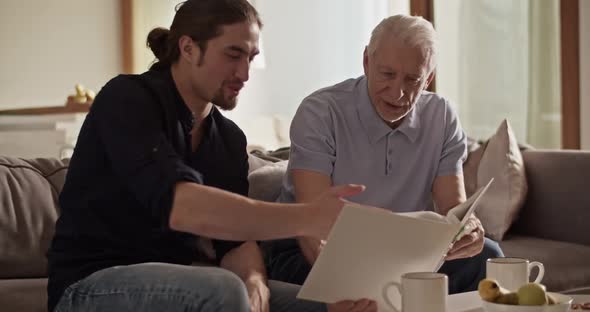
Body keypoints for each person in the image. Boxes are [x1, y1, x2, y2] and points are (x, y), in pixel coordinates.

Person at [46, 1, 365, 311]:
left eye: (251, 58)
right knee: (220, 289)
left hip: (188, 284)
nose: (245, 73)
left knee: (329, 305)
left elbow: (236, 243)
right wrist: (307, 216)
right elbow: (182, 207)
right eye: (233, 54)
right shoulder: (128, 99)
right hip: (89, 288)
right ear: (188, 48)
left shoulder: (228, 139)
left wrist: (254, 280)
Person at [264, 14, 504, 310]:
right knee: (368, 289)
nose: (398, 92)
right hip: (318, 246)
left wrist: (467, 230)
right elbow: (311, 223)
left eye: (412, 79)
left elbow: (452, 208)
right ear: (366, 61)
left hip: (405, 249)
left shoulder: (441, 116)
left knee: (486, 256)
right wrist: (348, 280)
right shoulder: (320, 112)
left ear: (427, 78)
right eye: (387, 74)